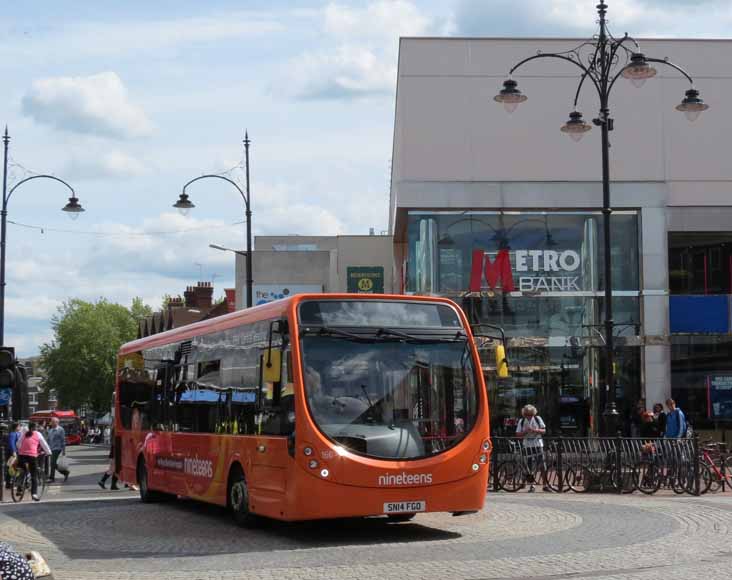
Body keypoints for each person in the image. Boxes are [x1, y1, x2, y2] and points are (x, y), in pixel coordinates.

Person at [515, 404, 548, 492]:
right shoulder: (521, 421)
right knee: (529, 465)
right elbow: (518, 434)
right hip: (527, 445)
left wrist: (535, 430)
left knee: (541, 464)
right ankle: (532, 485)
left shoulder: (538, 419)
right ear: (524, 414)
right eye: (527, 415)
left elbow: (544, 430)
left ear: (534, 414)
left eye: (531, 415)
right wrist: (525, 432)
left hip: (538, 444)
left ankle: (545, 484)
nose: (529, 417)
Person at [17, 422, 51, 501]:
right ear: (35, 428)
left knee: (22, 471)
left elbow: (18, 443)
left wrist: (20, 450)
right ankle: (34, 494)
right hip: (32, 456)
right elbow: (44, 444)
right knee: (34, 476)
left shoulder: (24, 434)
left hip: (21, 456)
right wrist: (49, 452)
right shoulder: (38, 434)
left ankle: (19, 488)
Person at [47, 417, 69, 483]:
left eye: (53, 422)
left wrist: (64, 450)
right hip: (51, 448)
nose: (51, 423)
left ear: (57, 422)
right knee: (52, 463)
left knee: (52, 462)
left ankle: (52, 478)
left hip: (57, 448)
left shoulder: (61, 429)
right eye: (51, 421)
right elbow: (48, 440)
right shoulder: (50, 430)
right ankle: (65, 472)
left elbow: (63, 440)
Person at [4, 422, 21, 489]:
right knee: (10, 468)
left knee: (15, 467)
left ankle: (13, 482)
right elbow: (11, 444)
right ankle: (8, 483)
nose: (20, 427)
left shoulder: (18, 433)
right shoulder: (12, 434)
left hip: (17, 453)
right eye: (19, 426)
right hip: (12, 454)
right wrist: (14, 452)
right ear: (16, 427)